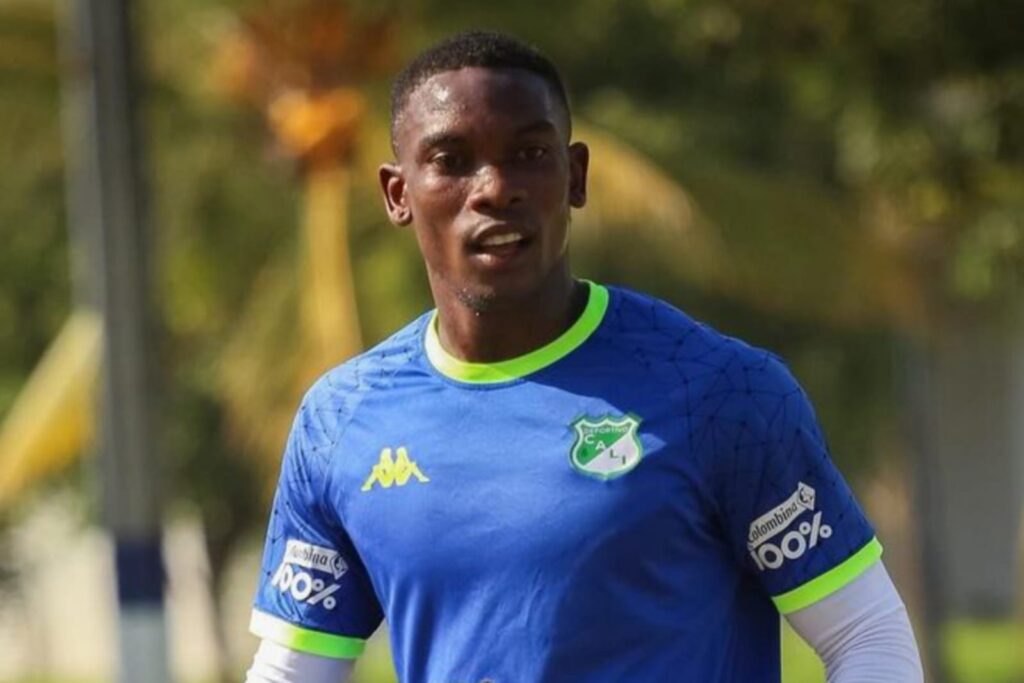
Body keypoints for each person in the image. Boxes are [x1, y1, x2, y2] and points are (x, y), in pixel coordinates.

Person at [245, 30, 923, 683]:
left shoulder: (720, 392)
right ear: (398, 194)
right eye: (452, 161)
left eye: (529, 153)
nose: (493, 188)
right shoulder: (343, 422)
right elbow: (291, 671)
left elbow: (867, 637)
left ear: (575, 175)